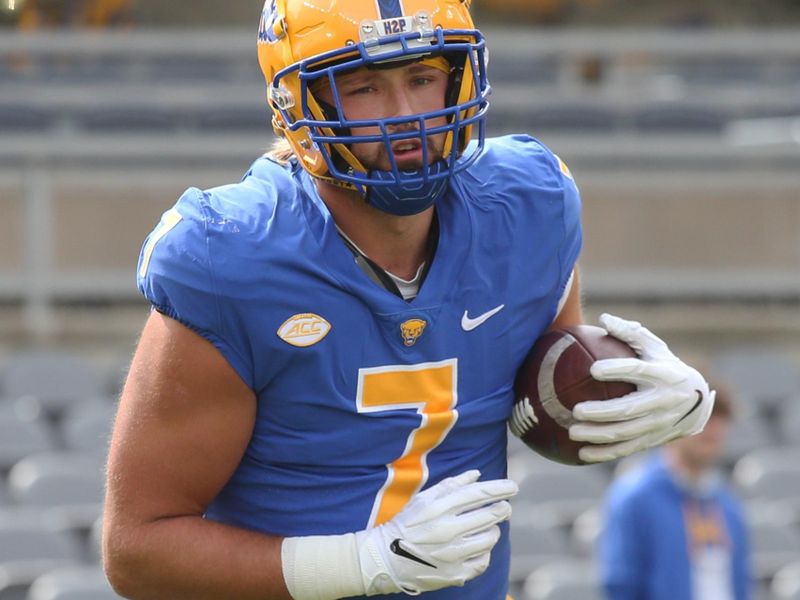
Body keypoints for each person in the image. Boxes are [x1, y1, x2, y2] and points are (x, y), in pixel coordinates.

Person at [101, 1, 715, 598]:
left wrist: (647, 400)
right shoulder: (236, 257)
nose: (404, 115)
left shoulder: (529, 209)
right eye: (364, 87)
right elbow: (138, 551)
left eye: (422, 78)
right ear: (299, 103)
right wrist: (360, 563)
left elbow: (541, 403)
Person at [599, 385, 752, 600]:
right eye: (704, 417)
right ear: (674, 422)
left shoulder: (728, 506)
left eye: (720, 419)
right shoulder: (635, 498)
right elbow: (622, 584)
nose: (713, 430)